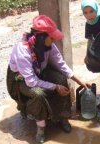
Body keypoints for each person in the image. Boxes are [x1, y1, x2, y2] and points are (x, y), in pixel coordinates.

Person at [6, 15, 89, 143]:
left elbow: (61, 64)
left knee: (61, 79)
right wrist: (55, 87)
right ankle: (41, 127)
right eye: (51, 38)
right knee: (38, 93)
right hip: (21, 79)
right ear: (41, 37)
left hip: (39, 72)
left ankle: (62, 116)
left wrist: (80, 82)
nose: (53, 40)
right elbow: (31, 82)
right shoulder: (22, 50)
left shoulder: (48, 46)